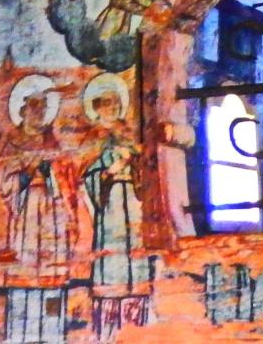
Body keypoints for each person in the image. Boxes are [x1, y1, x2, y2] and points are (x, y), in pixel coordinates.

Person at [80, 74, 148, 340]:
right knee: (111, 266)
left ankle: (137, 327)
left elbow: (147, 171)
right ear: (96, 107)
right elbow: (88, 177)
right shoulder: (93, 139)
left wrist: (135, 163)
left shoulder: (129, 135)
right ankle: (108, 331)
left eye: (116, 102)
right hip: (110, 213)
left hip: (132, 203)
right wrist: (110, 171)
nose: (112, 108)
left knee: (137, 265)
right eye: (106, 103)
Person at [0, 75, 68, 279]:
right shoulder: (13, 143)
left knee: (50, 261)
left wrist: (47, 171)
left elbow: (62, 181)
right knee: (25, 260)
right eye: (34, 105)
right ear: (23, 110)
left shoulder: (52, 142)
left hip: (49, 208)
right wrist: (28, 172)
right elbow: (6, 186)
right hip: (26, 208)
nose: (40, 111)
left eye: (44, 106)